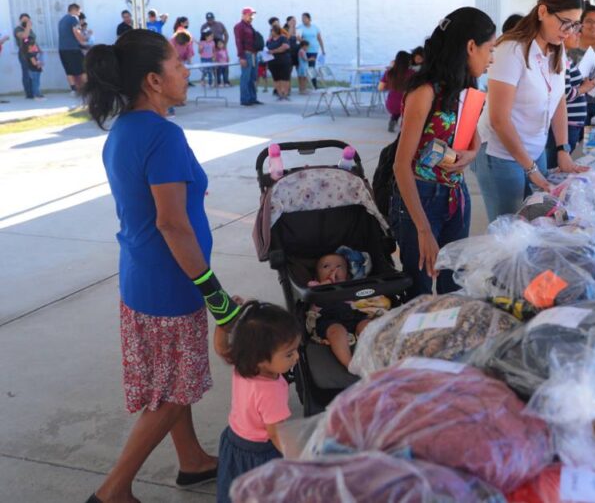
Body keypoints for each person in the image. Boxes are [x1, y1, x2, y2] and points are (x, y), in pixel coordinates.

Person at [81, 29, 244, 503]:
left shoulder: (124, 132)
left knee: (173, 378)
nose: (185, 71)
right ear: (154, 80)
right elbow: (173, 225)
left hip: (140, 279)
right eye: (177, 65)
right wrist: (216, 296)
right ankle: (113, 489)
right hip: (172, 285)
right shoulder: (163, 137)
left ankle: (191, 460)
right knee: (175, 391)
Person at [392, 7, 496, 296]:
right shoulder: (424, 92)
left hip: (456, 196)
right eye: (490, 49)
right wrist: (423, 230)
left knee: (455, 286)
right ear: (471, 46)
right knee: (419, 289)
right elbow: (401, 166)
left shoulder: (465, 87)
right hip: (420, 200)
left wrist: (470, 156)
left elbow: (474, 139)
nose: (492, 58)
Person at [474, 0, 589, 221]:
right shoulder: (511, 49)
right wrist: (531, 169)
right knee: (508, 232)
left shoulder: (556, 49)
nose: (568, 31)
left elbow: (558, 101)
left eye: (574, 25)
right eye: (564, 22)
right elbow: (499, 119)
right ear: (543, 11)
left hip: (535, 151)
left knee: (537, 224)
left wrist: (563, 149)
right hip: (502, 153)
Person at [214, 301, 300, 503]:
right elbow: (276, 432)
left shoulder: (243, 364)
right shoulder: (272, 391)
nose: (296, 357)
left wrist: (223, 323)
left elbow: (221, 347)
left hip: (233, 441)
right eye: (289, 353)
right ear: (260, 357)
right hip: (260, 454)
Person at [306, 248, 379, 369]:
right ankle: (349, 363)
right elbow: (315, 295)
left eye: (339, 266)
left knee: (368, 326)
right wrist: (328, 281)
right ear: (316, 276)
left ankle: (375, 356)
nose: (333, 270)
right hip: (328, 318)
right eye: (326, 266)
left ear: (347, 274)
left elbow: (363, 301)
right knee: (337, 332)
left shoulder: (350, 285)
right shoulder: (315, 285)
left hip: (353, 315)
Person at [544, 28, 594, 167]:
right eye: (575, 31)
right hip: (565, 125)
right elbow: (563, 93)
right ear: (563, 36)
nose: (579, 35)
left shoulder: (565, 58)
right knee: (557, 166)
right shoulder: (559, 59)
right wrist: (584, 88)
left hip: (571, 123)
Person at [58, 2, 89, 92]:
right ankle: (88, 89)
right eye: (79, 12)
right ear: (74, 10)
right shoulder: (73, 18)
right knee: (83, 68)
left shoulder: (62, 20)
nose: (79, 15)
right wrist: (84, 40)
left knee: (69, 70)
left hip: (62, 49)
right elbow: (76, 32)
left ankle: (73, 90)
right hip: (73, 49)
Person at [381, 50, 414, 133]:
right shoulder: (412, 73)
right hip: (405, 103)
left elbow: (380, 87)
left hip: (390, 103)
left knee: (397, 112)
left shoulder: (389, 72)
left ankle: (393, 120)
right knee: (407, 111)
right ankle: (405, 126)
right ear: (407, 62)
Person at [234, 7, 262, 106]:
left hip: (254, 54)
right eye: (250, 15)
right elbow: (238, 42)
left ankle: (252, 98)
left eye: (252, 15)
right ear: (244, 15)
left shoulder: (250, 26)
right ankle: (245, 99)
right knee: (245, 77)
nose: (252, 17)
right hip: (246, 54)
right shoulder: (239, 26)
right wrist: (241, 57)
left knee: (253, 77)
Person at [15, 14, 43, 100]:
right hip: (24, 54)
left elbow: (33, 40)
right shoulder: (18, 29)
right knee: (27, 73)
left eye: (27, 20)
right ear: (20, 21)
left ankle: (35, 92)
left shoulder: (30, 29)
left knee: (35, 72)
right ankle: (29, 93)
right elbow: (24, 36)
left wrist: (39, 49)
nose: (26, 22)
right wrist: (27, 27)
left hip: (33, 53)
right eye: (24, 20)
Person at [265, 21, 293, 100]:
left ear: (276, 31)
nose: (271, 32)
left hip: (284, 61)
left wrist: (273, 51)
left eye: (272, 31)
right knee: (276, 78)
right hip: (273, 63)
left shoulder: (282, 38)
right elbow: (266, 50)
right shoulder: (269, 41)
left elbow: (285, 47)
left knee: (285, 78)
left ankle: (285, 94)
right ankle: (280, 94)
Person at [297, 13, 324, 88]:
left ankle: (314, 84)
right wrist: (305, 43)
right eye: (302, 18)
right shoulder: (300, 27)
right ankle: (303, 86)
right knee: (304, 67)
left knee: (312, 67)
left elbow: (319, 38)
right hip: (304, 51)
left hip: (313, 50)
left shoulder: (315, 27)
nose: (303, 19)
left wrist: (322, 49)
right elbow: (298, 38)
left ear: (309, 19)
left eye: (305, 18)